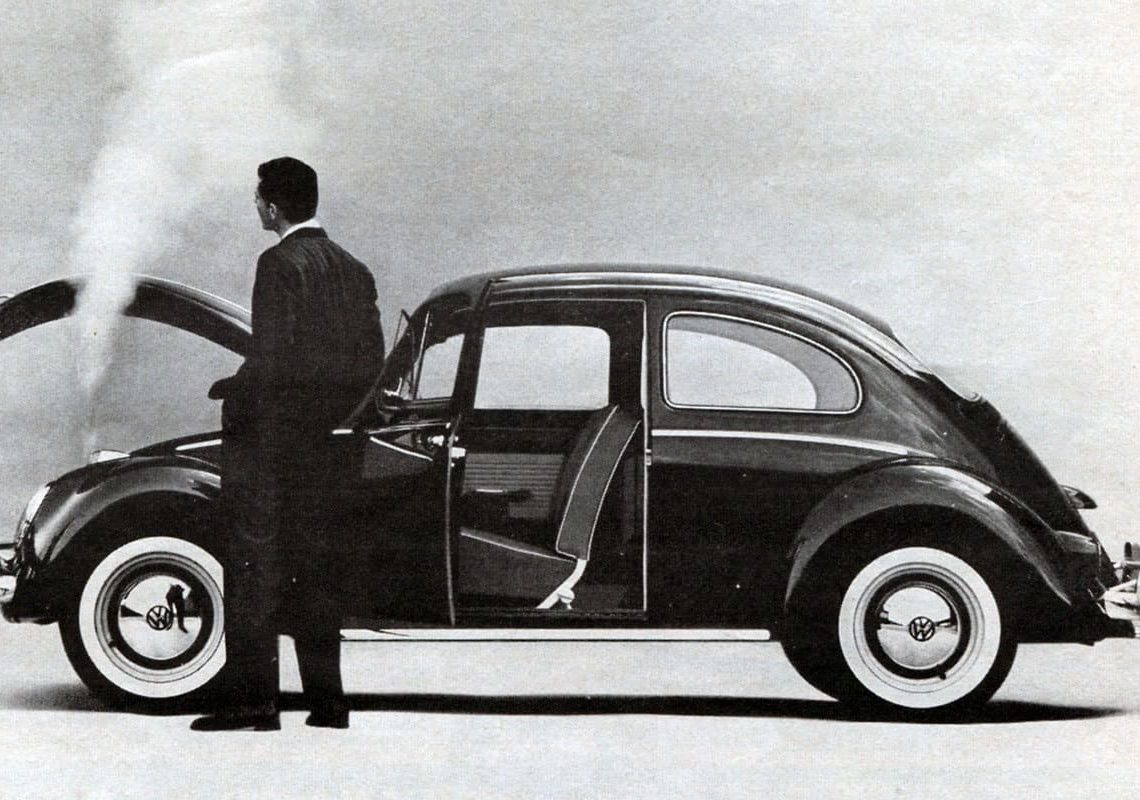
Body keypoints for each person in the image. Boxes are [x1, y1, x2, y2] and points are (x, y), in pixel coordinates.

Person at [192, 157, 385, 731]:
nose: (256, 206)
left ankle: (254, 704)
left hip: (274, 449)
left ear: (274, 207)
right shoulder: (355, 269)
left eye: (258, 199)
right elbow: (371, 364)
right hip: (330, 451)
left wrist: (232, 389)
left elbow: (273, 358)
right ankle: (329, 705)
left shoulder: (277, 264)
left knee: (254, 566)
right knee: (318, 572)